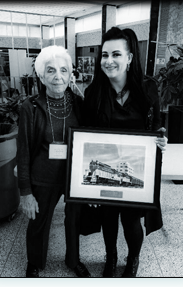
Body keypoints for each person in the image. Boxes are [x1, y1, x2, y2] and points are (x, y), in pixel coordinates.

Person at [82, 27, 167, 278]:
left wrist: (161, 139)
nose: (108, 61)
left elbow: (157, 127)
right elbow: (87, 137)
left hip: (136, 172)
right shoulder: (93, 93)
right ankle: (111, 257)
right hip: (107, 172)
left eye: (116, 54)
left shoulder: (148, 89)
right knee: (108, 218)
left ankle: (133, 258)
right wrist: (86, 185)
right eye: (104, 55)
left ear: (129, 58)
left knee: (131, 221)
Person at [16, 45, 91, 278]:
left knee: (74, 221)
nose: (58, 76)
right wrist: (26, 193)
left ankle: (73, 260)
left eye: (63, 70)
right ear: (41, 75)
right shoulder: (30, 108)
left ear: (71, 74)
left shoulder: (80, 104)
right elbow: (24, 152)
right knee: (38, 221)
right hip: (43, 176)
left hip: (73, 177)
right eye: (50, 71)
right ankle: (35, 262)